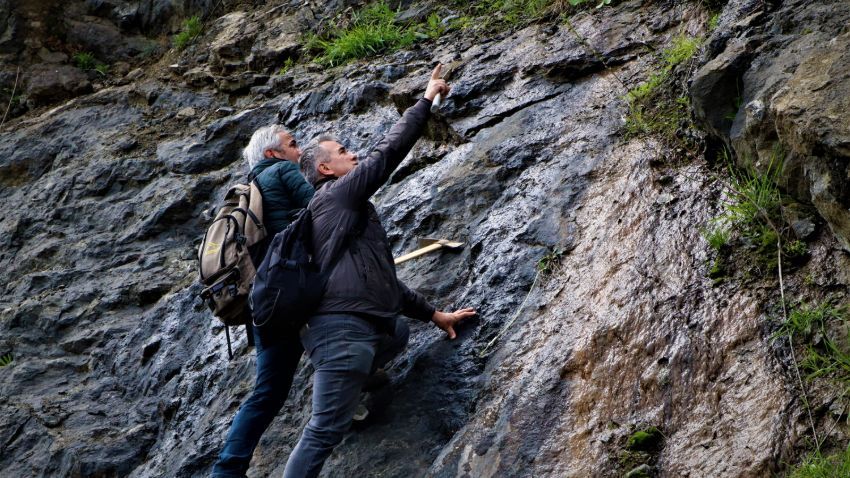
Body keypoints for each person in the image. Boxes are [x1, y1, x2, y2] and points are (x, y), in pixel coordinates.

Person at [283, 64, 476, 478]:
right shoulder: (335, 197)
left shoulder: (346, 213)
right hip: (339, 332)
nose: (353, 154)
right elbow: (385, 155)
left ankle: (358, 386)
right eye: (343, 152)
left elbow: (380, 283)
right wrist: (423, 102)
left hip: (363, 325)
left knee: (399, 331)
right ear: (325, 170)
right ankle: (347, 394)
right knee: (321, 433)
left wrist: (434, 315)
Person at [211, 125, 314, 478]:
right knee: (354, 329)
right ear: (274, 154)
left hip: (263, 301)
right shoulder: (284, 171)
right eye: (293, 144)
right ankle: (360, 394)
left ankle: (227, 470)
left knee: (267, 393)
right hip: (295, 290)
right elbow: (321, 208)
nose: (300, 151)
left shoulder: (249, 191)